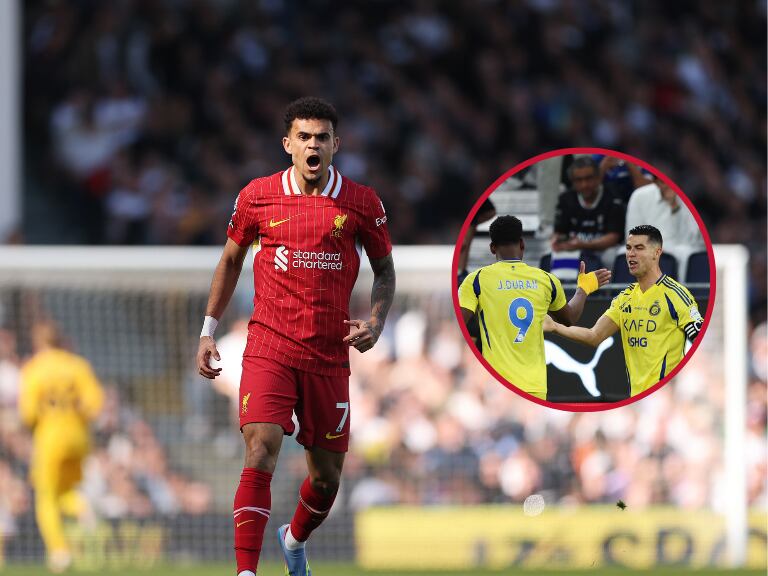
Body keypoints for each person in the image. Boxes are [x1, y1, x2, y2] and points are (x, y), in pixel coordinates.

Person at [196, 97, 395, 576]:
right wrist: (208, 330)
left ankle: (294, 538)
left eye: (321, 138)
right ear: (287, 144)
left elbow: (385, 270)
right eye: (304, 137)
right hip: (269, 346)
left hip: (328, 356)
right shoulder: (258, 196)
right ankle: (246, 572)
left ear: (335, 146)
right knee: (260, 446)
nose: (313, 145)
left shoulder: (361, 202)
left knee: (325, 482)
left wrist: (376, 321)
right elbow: (230, 261)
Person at [458, 215, 610, 400]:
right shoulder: (546, 280)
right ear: (522, 244)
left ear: (492, 248)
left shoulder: (475, 281)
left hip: (496, 385)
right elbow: (569, 319)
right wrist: (583, 290)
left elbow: (459, 326)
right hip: (533, 385)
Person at [544, 225, 703, 397]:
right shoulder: (625, 297)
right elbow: (594, 336)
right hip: (637, 398)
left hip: (664, 398)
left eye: (639, 248)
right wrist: (555, 327)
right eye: (628, 248)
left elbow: (701, 344)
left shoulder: (676, 295)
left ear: (657, 253)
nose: (630, 254)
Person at [18, 321, 104, 573]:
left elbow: (28, 412)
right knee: (64, 491)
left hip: (50, 439)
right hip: (78, 439)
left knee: (45, 496)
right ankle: (82, 506)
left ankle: (59, 551)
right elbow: (94, 404)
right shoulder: (77, 365)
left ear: (37, 342)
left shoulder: (34, 368)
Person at [551, 156, 625, 269]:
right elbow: (560, 232)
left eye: (588, 178)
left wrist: (584, 245)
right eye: (579, 180)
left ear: (597, 177)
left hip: (605, 249)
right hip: (574, 248)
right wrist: (558, 241)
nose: (584, 185)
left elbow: (613, 237)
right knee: (554, 255)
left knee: (611, 257)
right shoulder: (565, 199)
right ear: (573, 181)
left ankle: (609, 287)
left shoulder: (613, 197)